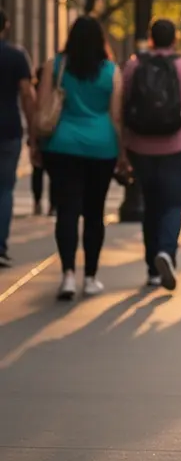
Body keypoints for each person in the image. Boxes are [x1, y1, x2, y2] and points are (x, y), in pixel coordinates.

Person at [36, 16, 125, 300]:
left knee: (67, 211)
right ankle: (90, 277)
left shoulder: (55, 66)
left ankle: (67, 276)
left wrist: (37, 145)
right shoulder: (111, 71)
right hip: (101, 148)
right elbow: (117, 117)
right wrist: (123, 154)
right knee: (94, 213)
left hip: (62, 145)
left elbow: (42, 108)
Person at [122, 18, 181, 291]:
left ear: (151, 38)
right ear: (175, 39)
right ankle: (166, 252)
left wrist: (124, 149)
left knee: (150, 206)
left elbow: (123, 108)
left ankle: (152, 269)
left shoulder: (134, 65)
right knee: (173, 205)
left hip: (141, 148)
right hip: (178, 147)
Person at [0, 9, 35, 267]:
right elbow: (26, 94)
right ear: (6, 26)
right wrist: (34, 129)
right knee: (5, 189)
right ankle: (0, 244)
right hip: (8, 128)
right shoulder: (16, 56)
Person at [31, 66, 53, 216]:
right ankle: (53, 205)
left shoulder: (35, 91)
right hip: (53, 134)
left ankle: (37, 201)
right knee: (54, 173)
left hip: (40, 134)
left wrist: (32, 139)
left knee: (37, 171)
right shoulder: (55, 91)